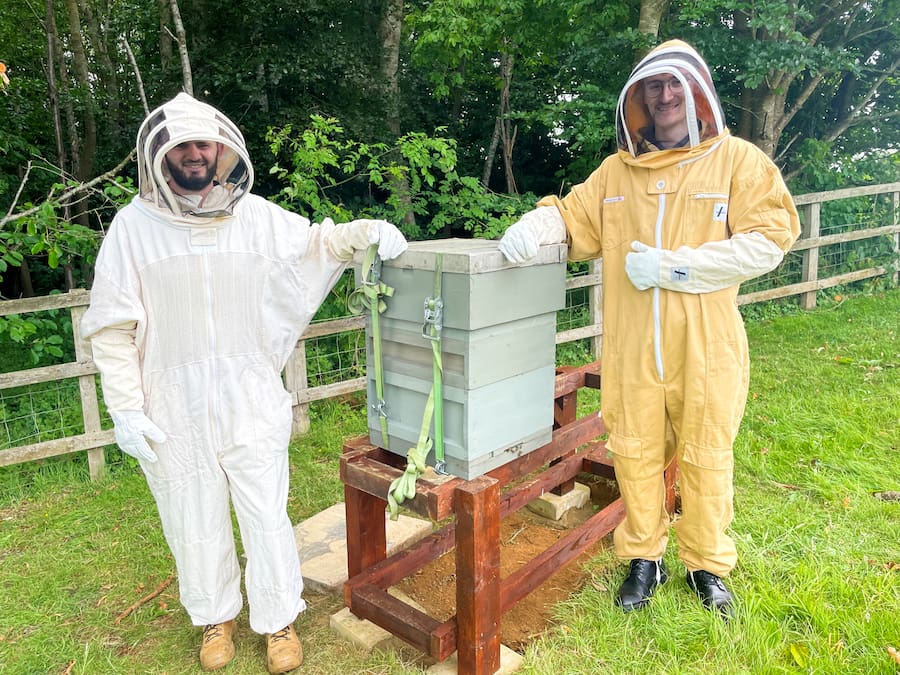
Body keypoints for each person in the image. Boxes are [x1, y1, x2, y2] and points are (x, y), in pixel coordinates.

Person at [81, 92, 407, 672]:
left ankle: (278, 620)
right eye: (182, 145)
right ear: (161, 154)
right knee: (191, 513)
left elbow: (315, 245)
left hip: (249, 393)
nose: (194, 154)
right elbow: (111, 327)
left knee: (265, 511)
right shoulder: (133, 229)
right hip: (171, 405)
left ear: (223, 150)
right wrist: (126, 410)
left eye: (203, 143)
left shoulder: (256, 217)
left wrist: (363, 231)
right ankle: (215, 617)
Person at [499, 40, 800, 617]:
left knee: (708, 454)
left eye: (675, 86)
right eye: (653, 87)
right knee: (634, 453)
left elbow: (768, 242)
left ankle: (707, 566)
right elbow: (574, 218)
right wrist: (538, 222)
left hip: (707, 347)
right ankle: (645, 558)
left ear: (697, 94)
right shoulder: (617, 172)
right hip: (633, 346)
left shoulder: (737, 161)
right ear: (637, 99)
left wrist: (673, 268)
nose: (664, 96)